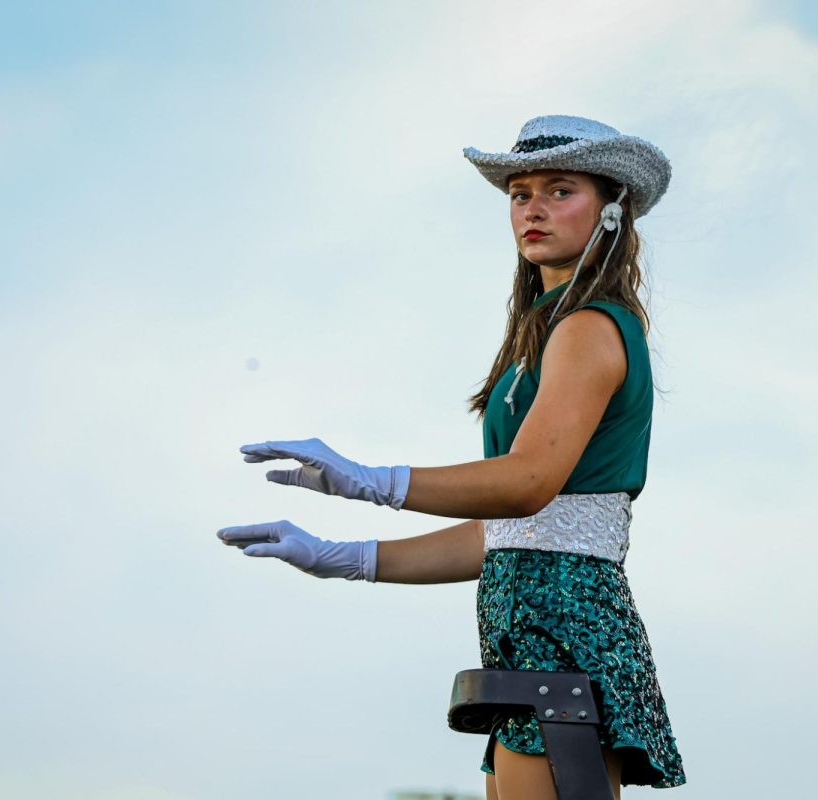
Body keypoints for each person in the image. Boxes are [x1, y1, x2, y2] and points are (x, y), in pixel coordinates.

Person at [218, 114, 687, 799]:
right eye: (520, 192)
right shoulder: (548, 330)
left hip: (561, 623)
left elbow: (526, 484)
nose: (533, 208)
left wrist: (371, 481)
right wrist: (344, 557)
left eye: (561, 191)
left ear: (613, 210)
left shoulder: (590, 326)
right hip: (525, 621)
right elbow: (509, 533)